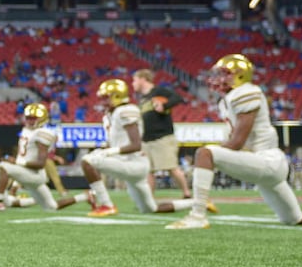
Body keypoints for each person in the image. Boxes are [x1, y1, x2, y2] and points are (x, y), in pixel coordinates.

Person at [166, 54, 302, 230]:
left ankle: (197, 214)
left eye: (225, 74)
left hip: (267, 160)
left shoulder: (246, 92)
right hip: (266, 166)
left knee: (205, 153)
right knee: (296, 219)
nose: (219, 79)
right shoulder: (229, 99)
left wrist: (213, 158)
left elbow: (237, 142)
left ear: (240, 76)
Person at [80, 78, 212, 218]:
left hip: (134, 164)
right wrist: (106, 150)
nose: (102, 101)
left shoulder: (126, 110)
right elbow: (115, 142)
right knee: (151, 209)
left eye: (106, 98)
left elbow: (136, 144)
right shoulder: (110, 115)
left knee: (87, 160)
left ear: (117, 96)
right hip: (129, 164)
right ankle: (199, 202)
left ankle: (107, 205)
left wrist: (108, 152)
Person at [0, 102, 83, 212]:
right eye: (28, 118)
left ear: (42, 119)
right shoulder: (26, 130)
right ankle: (85, 196)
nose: (30, 121)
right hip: (27, 172)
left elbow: (40, 163)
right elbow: (24, 156)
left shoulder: (43, 133)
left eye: (33, 118)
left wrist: (16, 162)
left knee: (4, 166)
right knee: (52, 207)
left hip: (35, 174)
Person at [131, 68, 190, 197]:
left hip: (162, 137)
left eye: (134, 80)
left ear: (143, 79)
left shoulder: (158, 91)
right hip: (147, 139)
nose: (133, 83)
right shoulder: (142, 99)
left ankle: (186, 193)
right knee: (148, 171)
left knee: (171, 168)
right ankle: (149, 199)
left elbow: (178, 97)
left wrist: (165, 105)